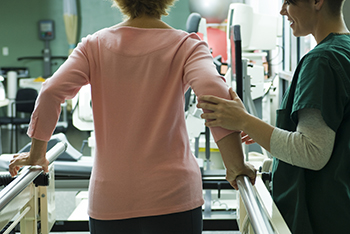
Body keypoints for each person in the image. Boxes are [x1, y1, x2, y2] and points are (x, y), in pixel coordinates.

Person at [9, 0, 256, 233]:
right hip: (174, 197)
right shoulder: (186, 45)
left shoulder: (93, 45)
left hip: (111, 201)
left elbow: (51, 91)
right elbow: (215, 94)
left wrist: (37, 154)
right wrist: (235, 165)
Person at [197, 0, 350, 233]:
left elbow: (313, 152)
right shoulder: (344, 50)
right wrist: (258, 129)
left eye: (289, 2)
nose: (282, 10)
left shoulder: (322, 61)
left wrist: (243, 120)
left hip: (321, 219)